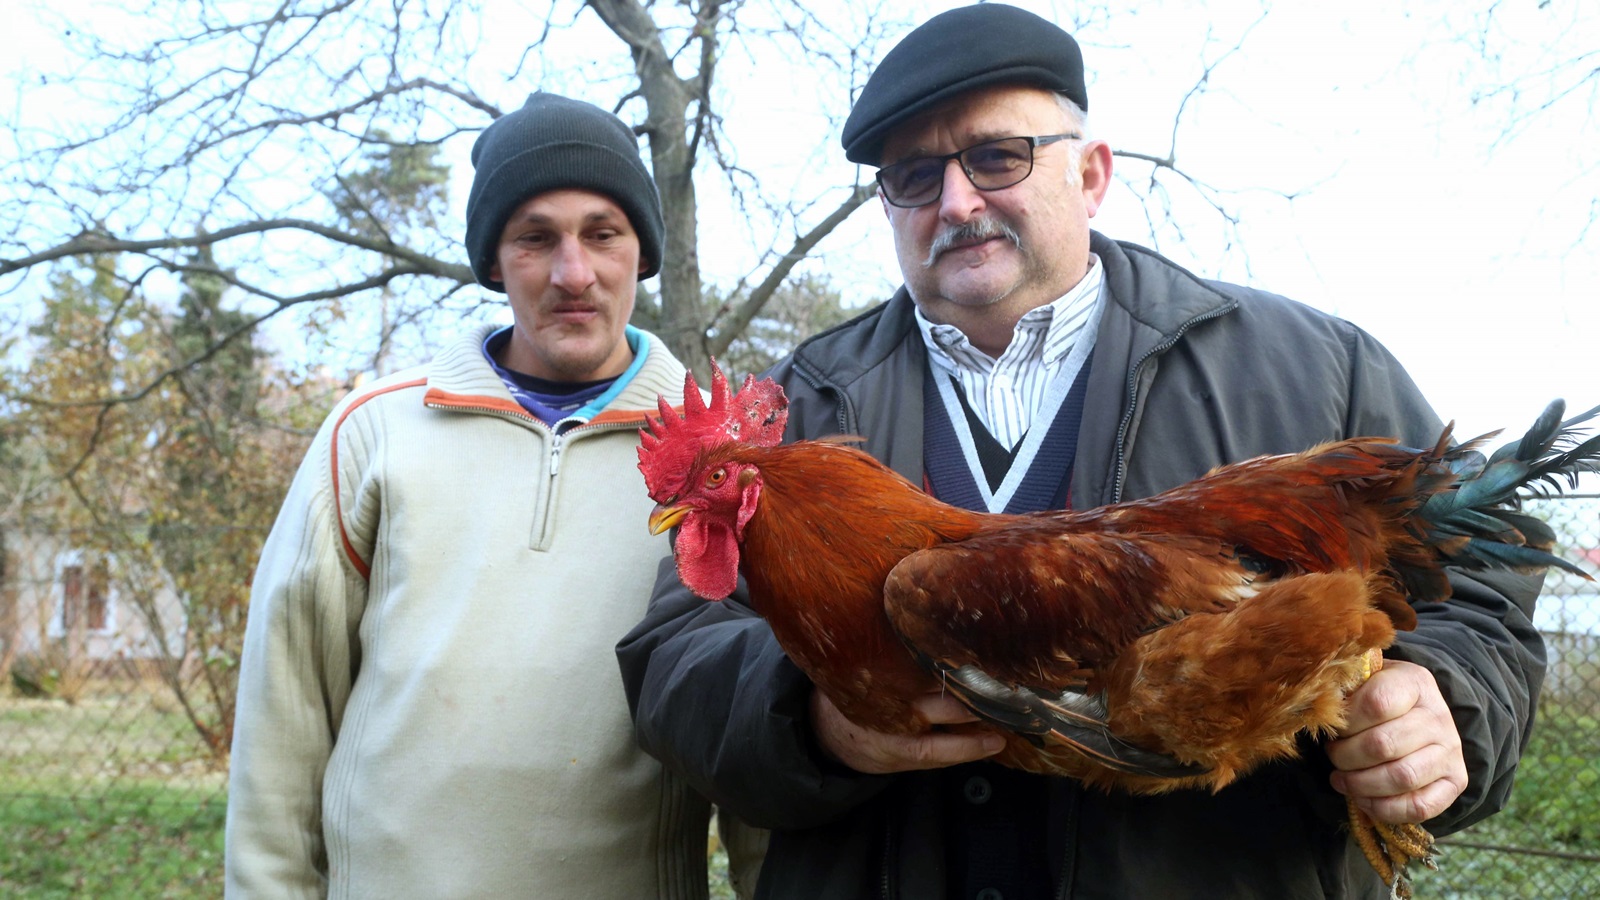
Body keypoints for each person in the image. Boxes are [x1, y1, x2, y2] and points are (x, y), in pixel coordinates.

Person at [617, 5, 1545, 898]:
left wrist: (1443, 703)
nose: (956, 200)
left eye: (997, 156)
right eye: (912, 176)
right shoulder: (791, 409)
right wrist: (815, 719)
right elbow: (676, 661)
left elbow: (1488, 604)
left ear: (1092, 172)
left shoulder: (1314, 366)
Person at [226, 92, 741, 898]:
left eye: (603, 234)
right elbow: (282, 724)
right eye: (536, 238)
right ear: (494, 260)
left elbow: (752, 736)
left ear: (641, 252)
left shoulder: (720, 458)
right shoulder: (375, 433)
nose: (575, 272)